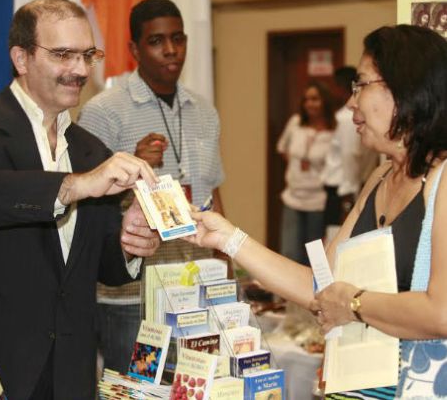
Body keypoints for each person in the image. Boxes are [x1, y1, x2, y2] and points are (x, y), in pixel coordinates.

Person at [187, 24, 447, 399]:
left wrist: (354, 303)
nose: (350, 103)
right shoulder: (379, 178)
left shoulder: (442, 181)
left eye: (360, 86)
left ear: (405, 89)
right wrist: (228, 238)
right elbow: (321, 287)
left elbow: (440, 311)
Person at [0, 0, 161, 400]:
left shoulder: (91, 150)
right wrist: (75, 186)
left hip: (72, 372)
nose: (80, 70)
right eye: (63, 54)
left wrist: (131, 243)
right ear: (21, 58)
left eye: (87, 55)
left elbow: (103, 266)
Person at [78, 0, 225, 373]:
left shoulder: (205, 112)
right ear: (134, 49)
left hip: (196, 286)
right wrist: (131, 162)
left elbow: (212, 191)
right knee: (134, 392)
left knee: (195, 387)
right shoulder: (103, 111)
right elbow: (85, 207)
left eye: (178, 38)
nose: (171, 50)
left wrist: (224, 268)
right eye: (157, 41)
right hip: (132, 296)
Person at [276, 81, 335, 265]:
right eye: (306, 99)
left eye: (315, 99)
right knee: (289, 253)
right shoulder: (295, 123)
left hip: (317, 201)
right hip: (292, 198)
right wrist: (296, 167)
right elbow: (282, 148)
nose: (310, 104)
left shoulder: (333, 132)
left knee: (314, 258)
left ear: (324, 101)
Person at [321, 66, 378, 237]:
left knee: (335, 241)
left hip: (343, 191)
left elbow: (350, 155)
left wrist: (348, 197)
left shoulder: (347, 118)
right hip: (349, 188)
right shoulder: (346, 116)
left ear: (341, 86)